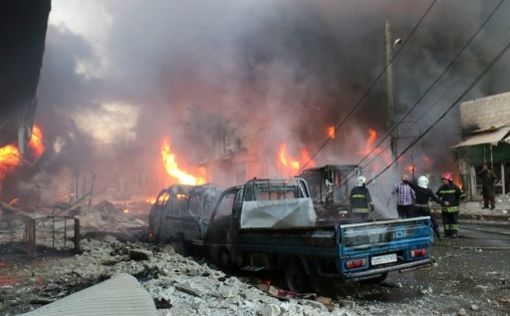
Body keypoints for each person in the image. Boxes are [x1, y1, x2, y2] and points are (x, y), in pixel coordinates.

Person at [405, 175, 443, 240]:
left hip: (416, 208)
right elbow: (435, 198)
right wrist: (443, 202)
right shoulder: (429, 191)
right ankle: (438, 235)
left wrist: (405, 180)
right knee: (432, 221)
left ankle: (409, 235)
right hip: (425, 209)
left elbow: (410, 184)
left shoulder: (417, 188)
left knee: (412, 221)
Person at [436, 172, 464, 238]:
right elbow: (437, 196)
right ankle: (447, 233)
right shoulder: (442, 188)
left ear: (449, 180)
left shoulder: (455, 187)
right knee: (446, 222)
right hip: (445, 209)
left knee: (454, 221)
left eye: (445, 180)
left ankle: (454, 233)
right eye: (443, 180)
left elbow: (461, 195)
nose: (443, 181)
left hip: (454, 209)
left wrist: (462, 196)